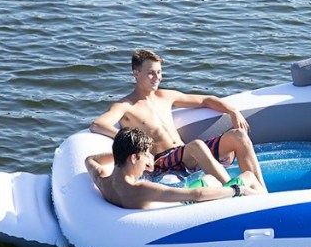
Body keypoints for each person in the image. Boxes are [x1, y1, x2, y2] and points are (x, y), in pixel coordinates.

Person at [90, 49, 267, 192]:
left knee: (238, 136)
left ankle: (262, 192)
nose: (157, 77)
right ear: (136, 73)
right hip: (161, 161)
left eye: (159, 72)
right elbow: (98, 124)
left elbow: (205, 100)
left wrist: (232, 111)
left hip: (185, 153)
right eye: (151, 73)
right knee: (197, 145)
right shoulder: (126, 105)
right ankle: (235, 192)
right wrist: (133, 143)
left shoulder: (165, 96)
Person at [85, 127, 264, 209]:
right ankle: (265, 203)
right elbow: (197, 195)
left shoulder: (102, 180)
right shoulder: (139, 188)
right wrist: (237, 189)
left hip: (125, 160)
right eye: (146, 155)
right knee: (248, 176)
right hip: (184, 208)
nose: (149, 160)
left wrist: (122, 151)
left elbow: (89, 159)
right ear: (133, 158)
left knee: (210, 179)